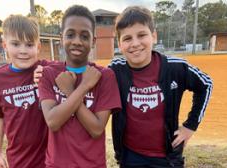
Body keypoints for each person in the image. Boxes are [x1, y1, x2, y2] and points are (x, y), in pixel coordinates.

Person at [109, 6, 213, 168]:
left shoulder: (175, 67)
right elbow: (92, 81)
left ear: (154, 36)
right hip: (130, 155)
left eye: (142, 35)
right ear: (119, 44)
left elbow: (206, 84)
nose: (135, 43)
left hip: (167, 157)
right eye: (127, 38)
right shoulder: (116, 69)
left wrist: (190, 126)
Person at [37, 5, 121, 168]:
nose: (77, 41)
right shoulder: (48, 74)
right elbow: (53, 122)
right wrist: (83, 87)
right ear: (61, 38)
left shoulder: (104, 76)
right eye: (70, 35)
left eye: (84, 36)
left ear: (93, 41)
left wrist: (70, 90)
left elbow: (96, 129)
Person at [0, 15, 50, 168]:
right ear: (5, 45)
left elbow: (71, 69)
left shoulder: (47, 69)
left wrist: (49, 72)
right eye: (15, 44)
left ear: (38, 47)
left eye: (29, 44)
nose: (23, 51)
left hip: (50, 158)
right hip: (18, 159)